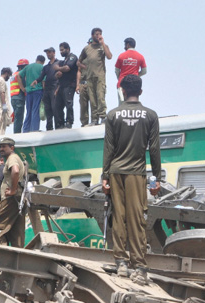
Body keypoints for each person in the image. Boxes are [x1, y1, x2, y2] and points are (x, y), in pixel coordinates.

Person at [101, 75, 160, 286]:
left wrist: (104, 177)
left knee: (119, 217)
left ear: (123, 91)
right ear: (141, 91)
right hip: (137, 173)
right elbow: (153, 149)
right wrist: (156, 181)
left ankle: (121, 263)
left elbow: (108, 148)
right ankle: (140, 267)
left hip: (116, 171)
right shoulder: (151, 116)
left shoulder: (113, 115)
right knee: (137, 218)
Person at [0, 137, 26, 247]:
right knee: (17, 230)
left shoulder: (12, 158)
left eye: (4, 146)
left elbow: (15, 171)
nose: (1, 149)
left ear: (12, 148)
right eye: (0, 146)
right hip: (18, 199)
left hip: (10, 199)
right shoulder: (15, 158)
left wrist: (12, 190)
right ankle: (19, 254)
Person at [80, 28, 113, 125]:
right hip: (89, 77)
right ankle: (94, 119)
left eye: (100, 34)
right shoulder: (87, 48)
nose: (98, 36)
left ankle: (103, 116)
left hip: (100, 76)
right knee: (92, 98)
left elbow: (109, 56)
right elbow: (79, 61)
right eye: (96, 34)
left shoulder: (103, 46)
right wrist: (85, 67)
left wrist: (103, 43)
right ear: (92, 35)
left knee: (100, 96)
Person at [52, 42, 79, 128]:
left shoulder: (73, 57)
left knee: (69, 104)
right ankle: (60, 123)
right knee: (57, 105)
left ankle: (69, 122)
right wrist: (58, 72)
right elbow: (56, 73)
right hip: (61, 86)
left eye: (62, 50)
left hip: (70, 85)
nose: (61, 52)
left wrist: (59, 68)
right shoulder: (63, 61)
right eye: (60, 50)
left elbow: (67, 68)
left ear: (68, 49)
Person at [33, 47, 59, 131]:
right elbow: (41, 77)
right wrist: (36, 81)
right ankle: (49, 127)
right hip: (47, 89)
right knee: (48, 109)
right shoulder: (46, 67)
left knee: (55, 108)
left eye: (50, 52)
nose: (48, 54)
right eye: (47, 53)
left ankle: (58, 126)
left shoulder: (59, 63)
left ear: (54, 53)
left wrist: (58, 88)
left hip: (55, 88)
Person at [115, 37, 147, 104]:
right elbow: (144, 71)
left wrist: (120, 78)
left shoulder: (121, 56)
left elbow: (116, 70)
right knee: (134, 105)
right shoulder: (140, 56)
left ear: (128, 45)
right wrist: (136, 75)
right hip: (134, 85)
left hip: (122, 85)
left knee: (122, 106)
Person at [18, 55, 45, 133]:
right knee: (35, 110)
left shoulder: (28, 67)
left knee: (29, 111)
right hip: (38, 91)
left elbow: (18, 76)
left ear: (36, 60)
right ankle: (34, 130)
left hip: (28, 91)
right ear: (43, 62)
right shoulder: (42, 67)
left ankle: (26, 130)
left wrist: (22, 88)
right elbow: (43, 81)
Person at [77, 38, 93, 126]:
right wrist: (77, 85)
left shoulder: (96, 55)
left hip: (92, 82)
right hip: (83, 82)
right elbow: (79, 71)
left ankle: (95, 120)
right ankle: (84, 122)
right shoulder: (83, 56)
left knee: (94, 104)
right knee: (83, 105)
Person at [9, 59, 29, 134]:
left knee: (17, 116)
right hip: (19, 97)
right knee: (19, 117)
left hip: (13, 97)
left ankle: (16, 132)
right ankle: (17, 133)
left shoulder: (14, 74)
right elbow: (24, 85)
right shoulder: (21, 74)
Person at [0, 68, 13, 136]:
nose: (8, 78)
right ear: (6, 73)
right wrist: (4, 105)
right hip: (1, 104)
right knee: (0, 121)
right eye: (9, 76)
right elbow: (2, 93)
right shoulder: (1, 81)